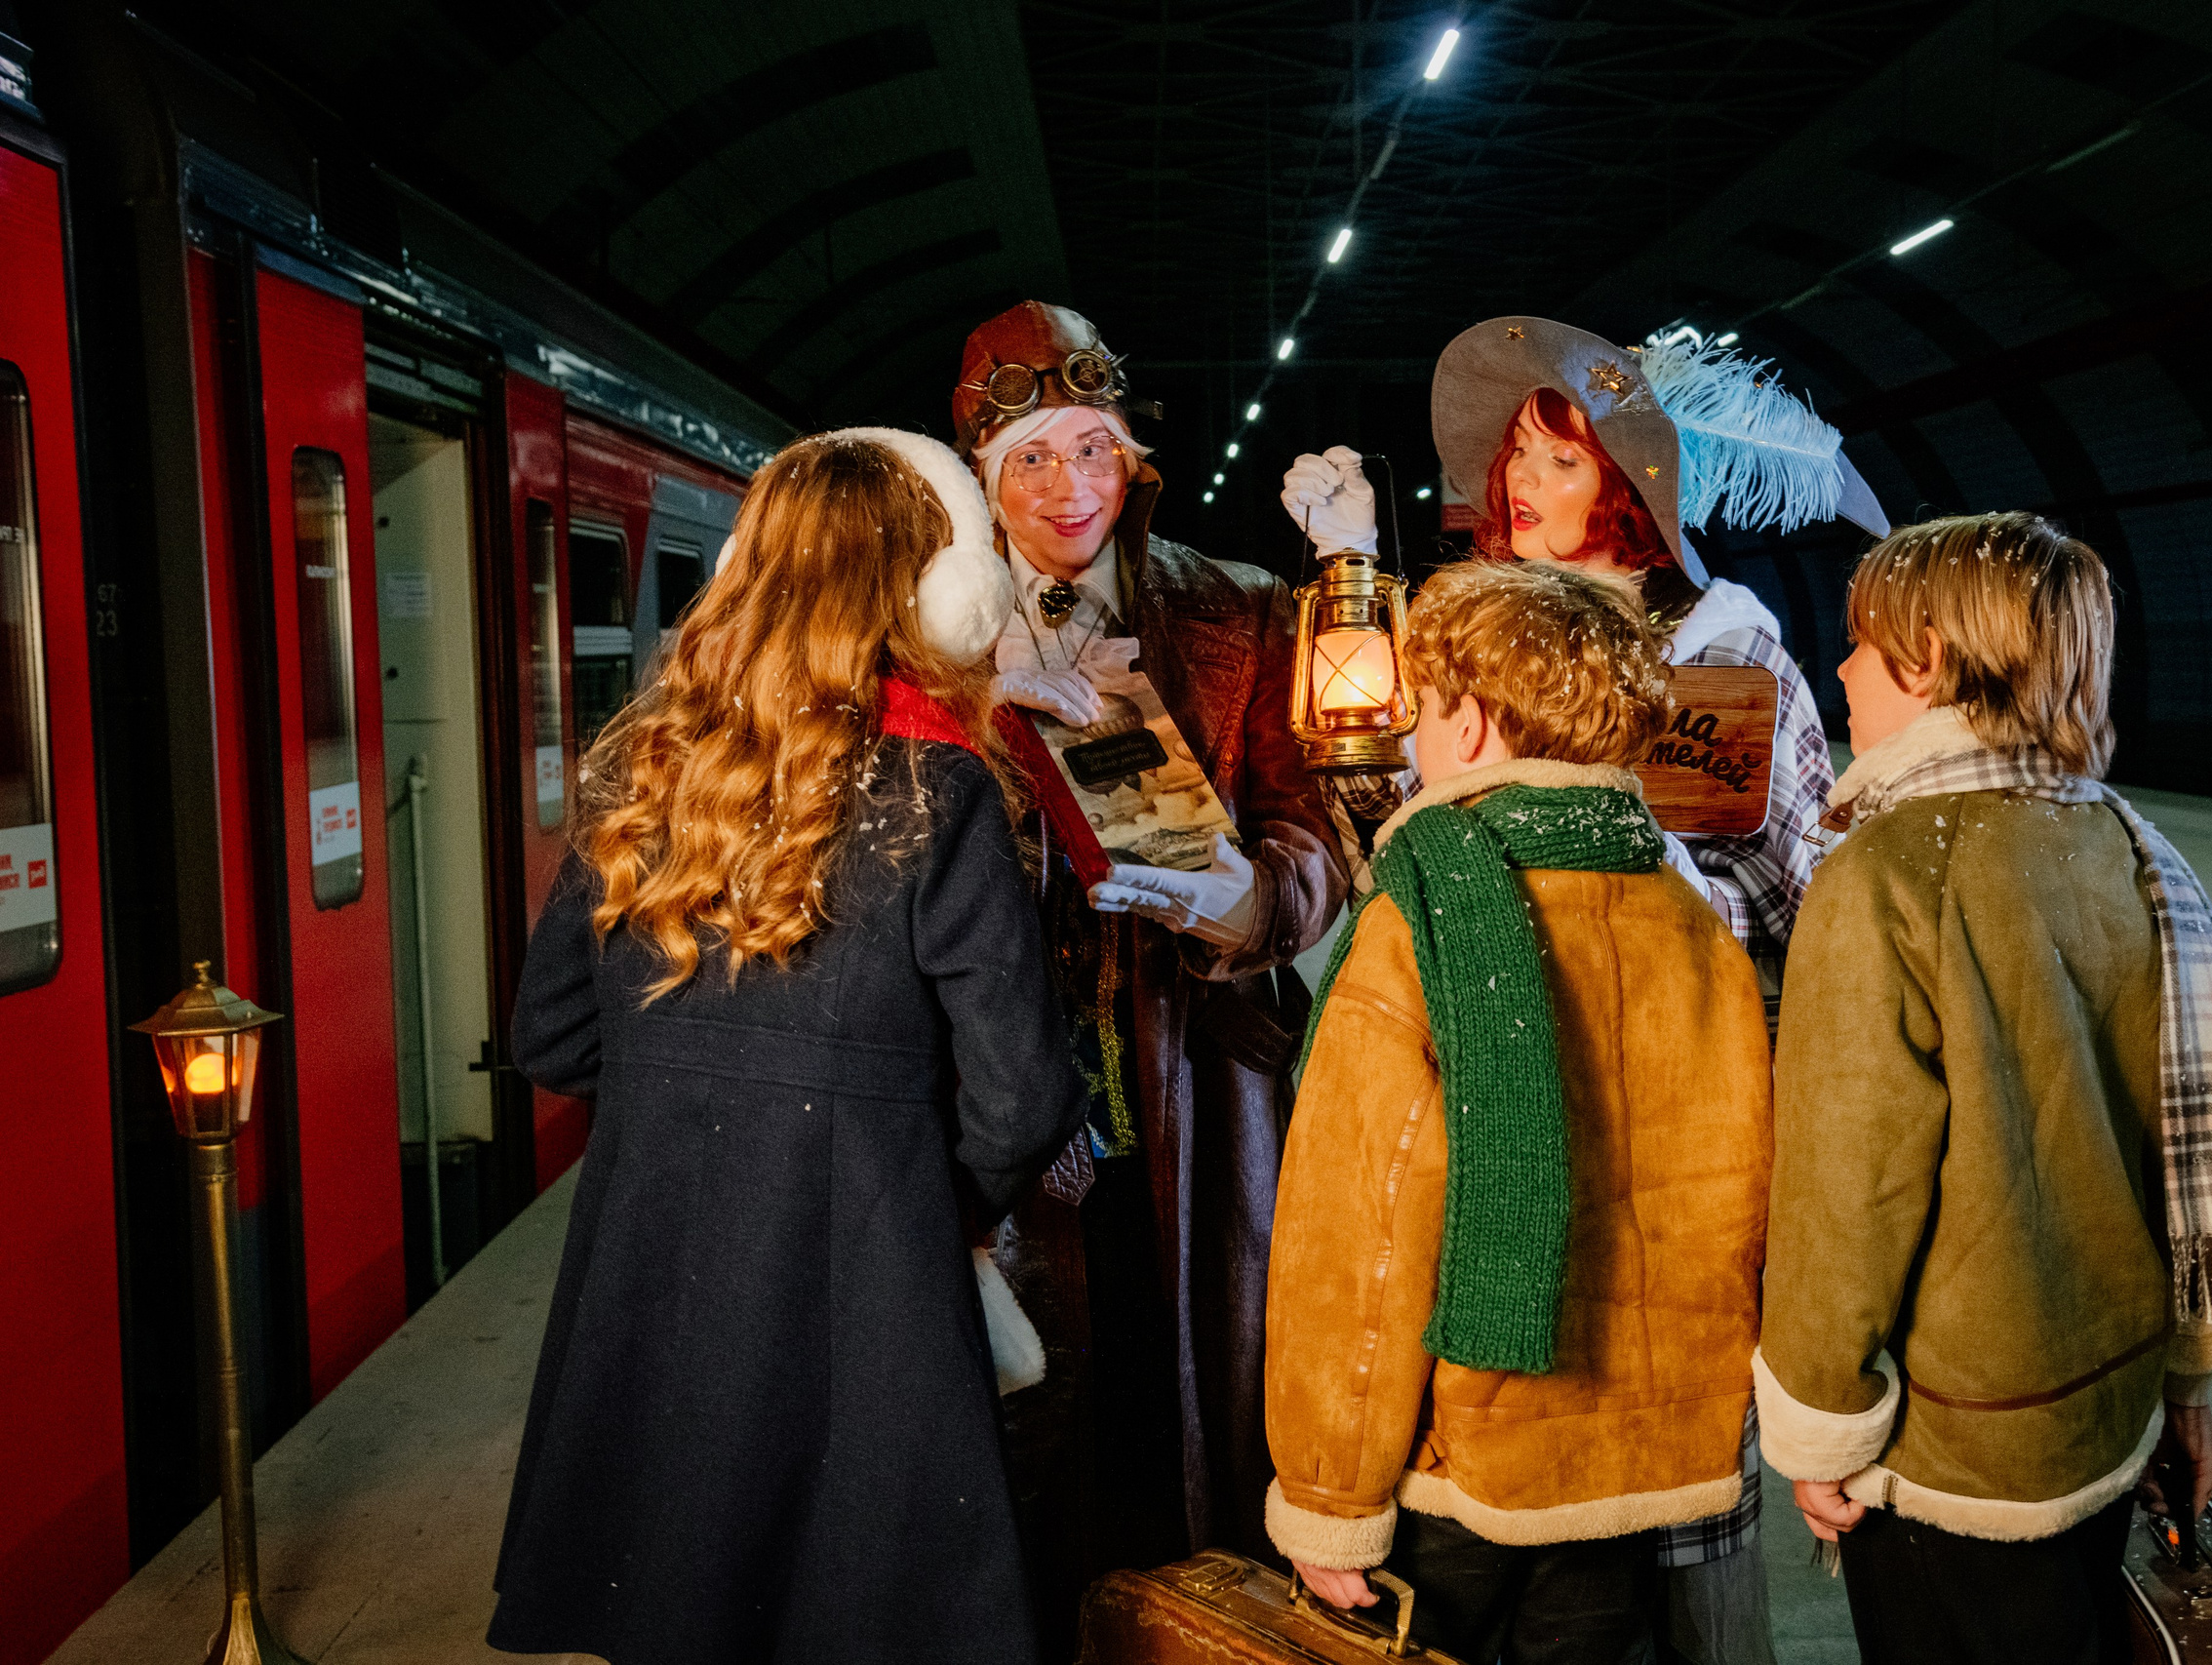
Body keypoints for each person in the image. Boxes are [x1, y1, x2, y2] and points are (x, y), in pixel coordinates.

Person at [1282, 316, 1888, 1662]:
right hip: (1505, 1105)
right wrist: (1348, 576)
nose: (1518, 494)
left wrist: (1671, 908)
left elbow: (1828, 898)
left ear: (1628, 478)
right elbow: (1392, 825)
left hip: (1676, 1129)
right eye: (1512, 468)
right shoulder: (1483, 640)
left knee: (1671, 1515)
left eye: (1555, 463)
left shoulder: (1732, 656)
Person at [487, 429, 1089, 1665]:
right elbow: (1024, 1097)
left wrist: (691, 1104)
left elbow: (547, 1036)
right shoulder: (940, 789)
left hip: (653, 1265)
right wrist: (916, 1195)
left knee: (677, 1599)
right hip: (867, 1283)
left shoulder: (640, 767)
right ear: (930, 593)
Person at [1756, 513, 2212, 1665]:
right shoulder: (2128, 844)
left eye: (1861, 643)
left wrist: (1817, 1426)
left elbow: (1844, 1191)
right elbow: (2182, 1149)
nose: (1842, 668)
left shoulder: (1887, 873)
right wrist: (2184, 1388)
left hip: (1953, 1449)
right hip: (2104, 1410)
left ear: (1931, 659)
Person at [1265, 560, 1774, 1665]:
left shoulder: (1421, 924)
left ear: (1477, 726)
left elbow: (1357, 1237)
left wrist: (1327, 1491)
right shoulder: (1695, 925)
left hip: (1461, 1461)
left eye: (1428, 707)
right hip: (1642, 1460)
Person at [952, 301, 1350, 1631]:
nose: (1070, 487)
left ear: (1137, 462)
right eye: (1032, 459)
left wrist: (1253, 896)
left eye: (1094, 450)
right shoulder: (931, 644)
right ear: (984, 474)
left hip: (1197, 1093)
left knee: (1196, 1427)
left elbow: (1318, 827)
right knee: (1024, 1436)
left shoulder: (1240, 610)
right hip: (1003, 1109)